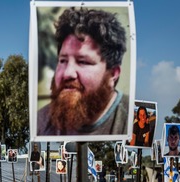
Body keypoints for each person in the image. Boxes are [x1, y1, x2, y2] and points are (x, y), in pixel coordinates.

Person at [37, 8, 129, 136]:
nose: (67, 73)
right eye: (63, 61)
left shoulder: (132, 120)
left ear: (113, 74)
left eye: (83, 62)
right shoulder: (41, 123)